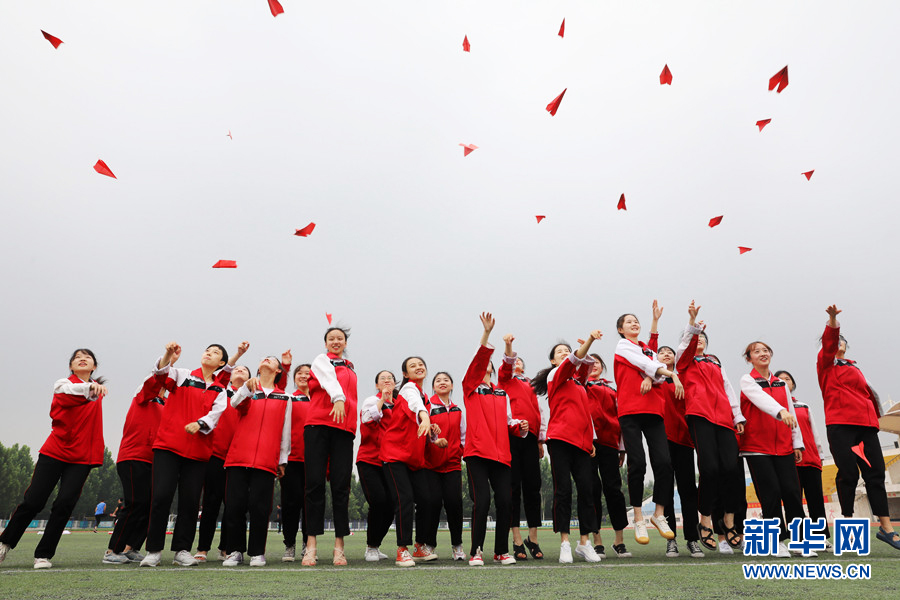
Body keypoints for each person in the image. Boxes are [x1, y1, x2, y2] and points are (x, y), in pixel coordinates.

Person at [0, 349, 108, 569]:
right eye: (77, 357)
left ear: (94, 366)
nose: (82, 359)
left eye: (87, 357)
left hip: (81, 458)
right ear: (71, 366)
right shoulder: (63, 385)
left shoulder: (97, 389)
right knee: (34, 501)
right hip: (55, 450)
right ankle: (4, 543)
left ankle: (43, 555)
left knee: (65, 504)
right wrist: (90, 388)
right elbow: (70, 391)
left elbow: (91, 395)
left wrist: (93, 387)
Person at [140, 342, 233, 567]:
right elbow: (161, 375)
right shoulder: (183, 375)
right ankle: (153, 550)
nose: (209, 353)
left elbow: (216, 415)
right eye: (207, 350)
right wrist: (168, 354)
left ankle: (182, 550)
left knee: (190, 503)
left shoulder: (220, 390)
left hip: (198, 454)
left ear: (221, 363)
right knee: (161, 497)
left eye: (215, 353)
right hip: (168, 447)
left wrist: (200, 423)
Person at [817, 305, 899, 550]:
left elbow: (870, 395)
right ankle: (848, 524)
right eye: (836, 339)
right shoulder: (826, 364)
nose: (839, 342)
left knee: (876, 475)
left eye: (842, 340)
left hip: (866, 426)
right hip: (841, 425)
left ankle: (887, 528)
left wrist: (876, 419)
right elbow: (829, 343)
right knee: (849, 474)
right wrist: (833, 320)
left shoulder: (855, 367)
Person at [673, 301, 745, 556]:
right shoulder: (684, 362)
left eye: (703, 337)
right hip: (700, 416)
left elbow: (727, 388)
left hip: (724, 418)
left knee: (731, 469)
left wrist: (737, 415)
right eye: (696, 337)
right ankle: (705, 518)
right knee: (710, 468)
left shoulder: (714, 361)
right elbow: (684, 347)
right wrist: (692, 323)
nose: (700, 340)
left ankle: (728, 519)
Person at [461, 313, 526, 566]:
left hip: (501, 454)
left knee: (505, 502)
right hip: (477, 452)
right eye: (482, 362)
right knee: (483, 501)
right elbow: (479, 360)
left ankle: (501, 551)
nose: (484, 365)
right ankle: (476, 551)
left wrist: (519, 426)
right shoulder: (470, 388)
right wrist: (487, 333)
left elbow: (508, 422)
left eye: (488, 363)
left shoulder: (501, 393)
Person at [533, 331, 603, 564]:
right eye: (559, 352)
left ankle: (584, 543)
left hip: (582, 443)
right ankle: (565, 542)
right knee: (563, 491)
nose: (564, 353)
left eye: (567, 350)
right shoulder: (556, 375)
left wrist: (590, 440)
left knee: (587, 490)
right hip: (560, 440)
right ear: (553, 361)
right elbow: (574, 361)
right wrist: (589, 341)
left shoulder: (578, 382)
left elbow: (584, 367)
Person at [613, 302, 679, 545]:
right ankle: (639, 517)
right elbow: (649, 365)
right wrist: (667, 373)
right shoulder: (623, 346)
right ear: (620, 330)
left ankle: (659, 514)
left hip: (653, 410)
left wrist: (653, 377)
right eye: (629, 321)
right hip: (630, 410)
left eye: (636, 321)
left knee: (664, 462)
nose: (634, 324)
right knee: (638, 463)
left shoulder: (648, 351)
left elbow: (652, 365)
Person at [221, 355, 292, 567]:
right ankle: (235, 551)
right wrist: (246, 388)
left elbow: (285, 431)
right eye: (264, 358)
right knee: (235, 506)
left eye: (272, 359)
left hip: (266, 460)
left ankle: (257, 552)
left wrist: (282, 460)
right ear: (259, 369)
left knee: (260, 508)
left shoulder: (285, 398)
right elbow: (234, 403)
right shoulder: (249, 390)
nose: (266, 359)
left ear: (278, 370)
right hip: (238, 457)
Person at [739, 340, 806, 558]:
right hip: (757, 448)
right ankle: (776, 541)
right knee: (771, 494)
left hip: (784, 447)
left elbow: (791, 413)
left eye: (766, 350)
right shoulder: (747, 380)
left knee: (792, 493)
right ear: (749, 358)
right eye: (757, 351)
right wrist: (780, 411)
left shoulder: (781, 384)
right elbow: (761, 400)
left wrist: (796, 443)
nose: (762, 354)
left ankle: (799, 540)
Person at [303, 327, 358, 567]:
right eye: (331, 338)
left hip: (344, 429)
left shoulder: (350, 367)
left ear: (345, 342)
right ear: (325, 343)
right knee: (314, 484)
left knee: (341, 486)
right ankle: (311, 545)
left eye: (340, 338)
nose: (336, 341)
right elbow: (329, 380)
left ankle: (339, 546)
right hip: (318, 425)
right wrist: (338, 398)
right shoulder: (321, 361)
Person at [194, 344, 252, 563]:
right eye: (237, 368)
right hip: (216, 454)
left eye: (245, 369)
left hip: (239, 459)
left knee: (234, 506)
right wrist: (237, 355)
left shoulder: (251, 397)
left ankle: (226, 548)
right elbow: (223, 371)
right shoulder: (221, 390)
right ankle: (202, 548)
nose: (240, 370)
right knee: (211, 502)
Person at [380, 357, 436, 567]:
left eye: (421, 364)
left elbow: (418, 424)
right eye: (413, 366)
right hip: (394, 455)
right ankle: (402, 549)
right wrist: (425, 416)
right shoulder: (408, 390)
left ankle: (419, 546)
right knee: (405, 500)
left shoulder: (425, 396)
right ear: (405, 374)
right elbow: (415, 405)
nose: (418, 367)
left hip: (414, 458)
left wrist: (433, 434)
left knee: (427, 499)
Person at [496, 335, 543, 561]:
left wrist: (540, 440)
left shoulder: (530, 384)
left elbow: (538, 412)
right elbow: (507, 364)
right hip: (511, 437)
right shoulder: (505, 380)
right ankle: (516, 539)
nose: (516, 362)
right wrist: (509, 346)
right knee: (513, 487)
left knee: (533, 486)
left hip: (531, 438)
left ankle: (532, 538)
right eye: (514, 360)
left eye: (519, 361)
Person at [655, 343, 703, 559]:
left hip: (683, 439)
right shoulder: (653, 379)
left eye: (670, 352)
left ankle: (692, 539)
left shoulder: (683, 378)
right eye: (661, 352)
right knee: (665, 491)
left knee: (688, 490)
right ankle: (670, 540)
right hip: (661, 439)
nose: (666, 354)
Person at [774, 370, 831, 546]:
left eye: (788, 379)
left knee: (816, 500)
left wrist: (820, 454)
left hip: (810, 458)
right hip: (788, 461)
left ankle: (820, 537)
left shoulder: (803, 406)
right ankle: (797, 537)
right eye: (780, 380)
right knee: (793, 502)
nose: (784, 382)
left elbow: (814, 432)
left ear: (793, 384)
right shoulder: (772, 409)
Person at [584, 354, 632, 559]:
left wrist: (622, 448)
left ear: (602, 367)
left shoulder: (612, 389)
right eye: (590, 362)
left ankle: (619, 541)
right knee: (592, 489)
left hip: (610, 443)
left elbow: (621, 417)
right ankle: (597, 541)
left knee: (614, 490)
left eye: (597, 362)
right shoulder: (580, 386)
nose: (594, 365)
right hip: (588, 443)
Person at [422, 371, 465, 560]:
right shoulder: (427, 408)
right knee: (432, 504)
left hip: (453, 465)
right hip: (431, 466)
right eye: (438, 380)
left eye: (446, 380)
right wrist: (433, 441)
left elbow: (463, 436)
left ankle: (457, 546)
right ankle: (429, 545)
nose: (442, 382)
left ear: (452, 385)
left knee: (454, 504)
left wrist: (459, 452)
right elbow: (421, 432)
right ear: (433, 386)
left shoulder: (458, 410)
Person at [356, 371, 397, 562]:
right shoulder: (372, 401)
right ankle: (371, 547)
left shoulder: (399, 406)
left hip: (390, 462)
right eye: (383, 379)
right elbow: (367, 419)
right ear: (377, 385)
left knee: (392, 505)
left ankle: (375, 545)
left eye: (390, 378)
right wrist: (382, 399)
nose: (387, 381)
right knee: (378, 501)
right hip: (369, 460)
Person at [281, 363, 312, 562]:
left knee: (310, 504)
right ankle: (289, 544)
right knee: (291, 503)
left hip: (314, 461)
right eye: (299, 373)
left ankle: (308, 544)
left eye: (307, 373)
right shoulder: (289, 399)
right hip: (292, 459)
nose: (303, 376)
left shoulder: (321, 402)